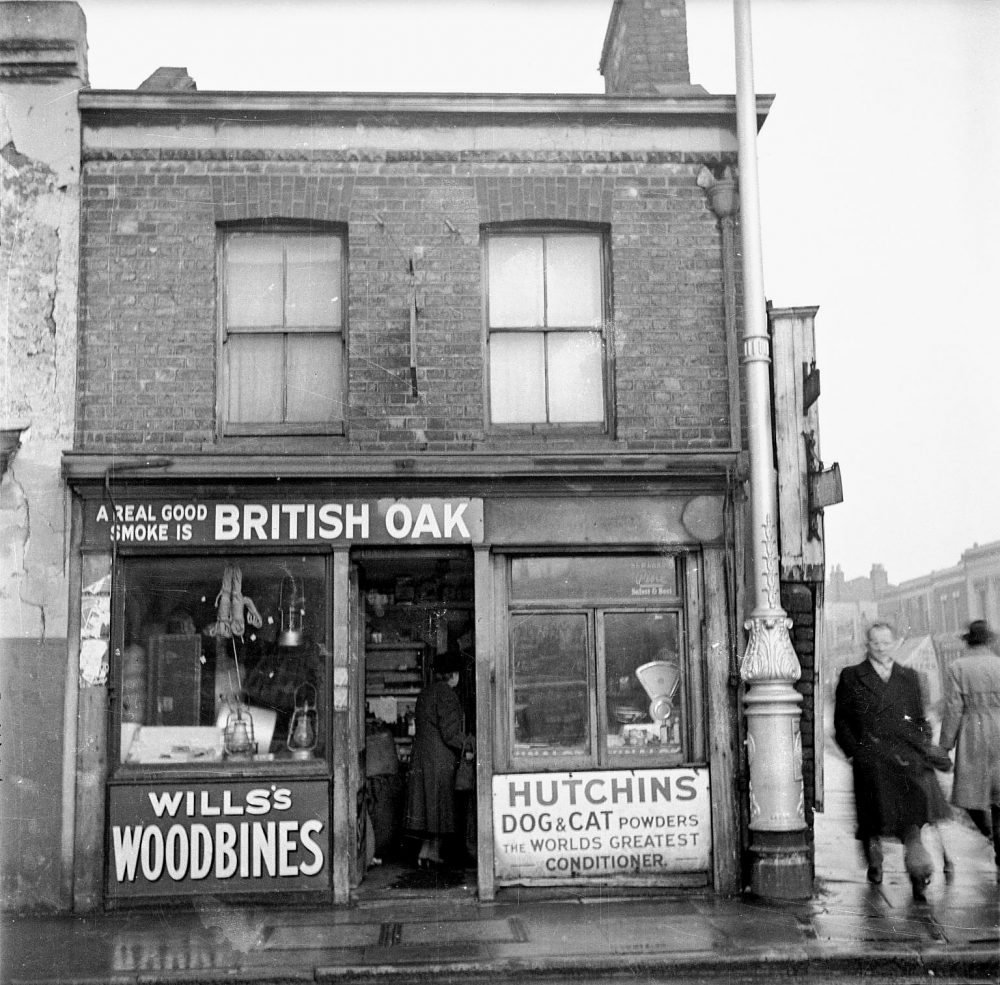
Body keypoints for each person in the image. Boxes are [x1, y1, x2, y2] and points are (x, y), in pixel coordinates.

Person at [834, 621, 937, 901]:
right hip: (871, 762)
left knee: (912, 822)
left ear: (895, 643)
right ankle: (875, 863)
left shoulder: (909, 677)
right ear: (867, 645)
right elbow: (841, 721)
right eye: (875, 643)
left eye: (886, 642)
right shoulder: (852, 676)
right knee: (872, 821)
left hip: (905, 761)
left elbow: (919, 718)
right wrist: (856, 752)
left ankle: (918, 875)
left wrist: (921, 746)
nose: (881, 648)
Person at [939, 619, 1000, 881]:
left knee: (971, 796)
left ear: (968, 641)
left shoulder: (957, 667)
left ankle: (989, 834)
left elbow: (953, 709)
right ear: (990, 641)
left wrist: (945, 746)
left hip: (973, 730)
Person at [404, 647, 467, 869]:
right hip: (439, 760)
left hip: (422, 757)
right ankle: (430, 853)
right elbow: (450, 734)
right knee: (440, 808)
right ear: (454, 674)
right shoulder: (447, 695)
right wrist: (471, 743)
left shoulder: (426, 692)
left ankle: (427, 852)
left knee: (430, 809)